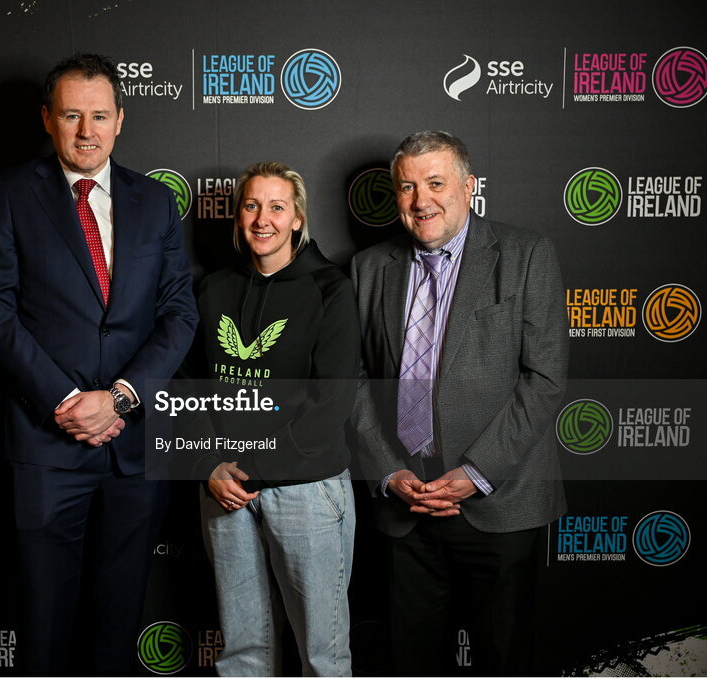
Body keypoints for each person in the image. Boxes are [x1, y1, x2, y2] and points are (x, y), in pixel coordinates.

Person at [0, 53, 197, 675]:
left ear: (121, 120)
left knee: (118, 622)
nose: (86, 131)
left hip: (133, 450)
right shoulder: (11, 194)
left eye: (99, 115)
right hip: (45, 449)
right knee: (43, 625)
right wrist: (65, 402)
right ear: (48, 119)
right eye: (72, 115)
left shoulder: (154, 202)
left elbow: (179, 314)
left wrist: (121, 396)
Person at [351, 130, 568, 675]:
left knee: (505, 659)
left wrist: (476, 472)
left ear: (468, 187)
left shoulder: (524, 255)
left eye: (436, 183)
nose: (422, 200)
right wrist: (389, 473)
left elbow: (544, 380)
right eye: (407, 187)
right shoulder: (368, 268)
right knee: (410, 662)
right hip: (406, 506)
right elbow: (352, 382)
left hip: (500, 502)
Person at [191, 162, 359, 676]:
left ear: (297, 219)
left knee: (322, 655)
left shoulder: (330, 289)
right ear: (237, 215)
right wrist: (208, 465)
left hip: (305, 489)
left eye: (276, 207)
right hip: (224, 488)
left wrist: (255, 470)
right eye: (251, 205)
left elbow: (330, 401)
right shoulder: (212, 288)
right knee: (243, 653)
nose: (262, 218)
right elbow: (185, 387)